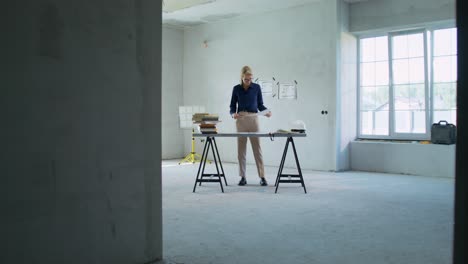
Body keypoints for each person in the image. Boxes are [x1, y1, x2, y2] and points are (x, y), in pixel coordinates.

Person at [229, 66, 272, 186]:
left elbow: (260, 104)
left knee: (257, 149)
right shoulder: (236, 89)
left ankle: (262, 176)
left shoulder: (256, 88)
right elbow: (232, 106)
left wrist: (267, 111)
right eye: (246, 79)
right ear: (242, 78)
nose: (249, 81)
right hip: (241, 119)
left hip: (254, 118)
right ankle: (242, 177)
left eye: (250, 79)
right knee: (241, 150)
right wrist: (233, 114)